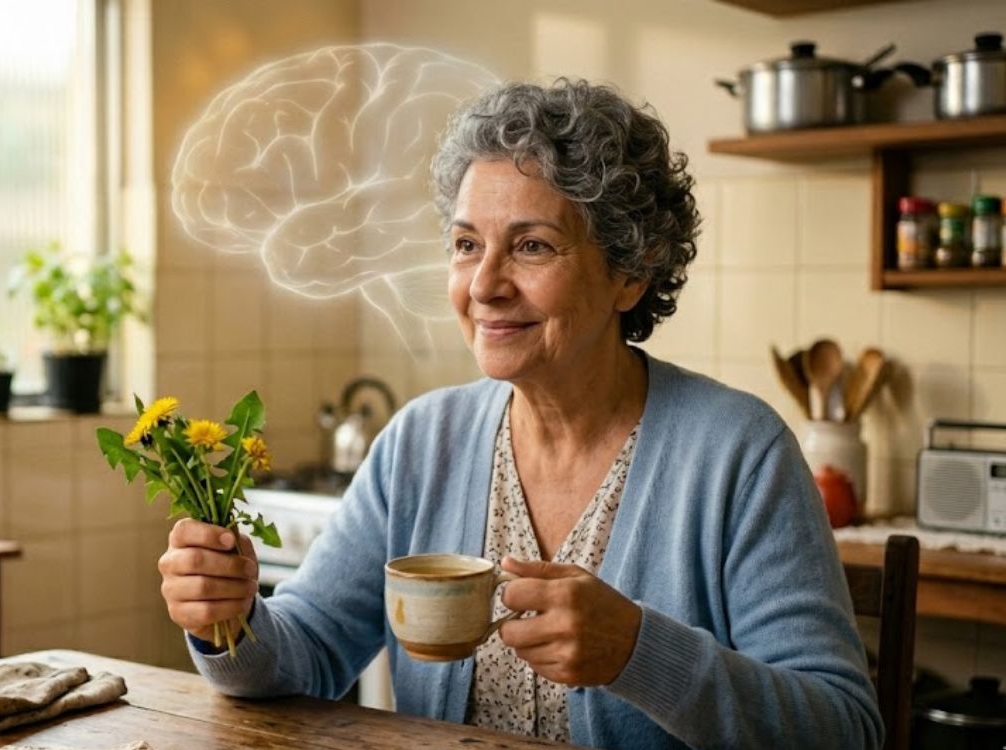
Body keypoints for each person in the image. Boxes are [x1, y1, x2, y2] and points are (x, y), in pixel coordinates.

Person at [157, 79, 882, 749]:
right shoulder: (421, 440)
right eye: (467, 245)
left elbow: (844, 728)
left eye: (532, 246)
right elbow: (305, 653)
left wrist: (638, 652)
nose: (485, 285)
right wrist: (230, 619)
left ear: (631, 271)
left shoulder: (737, 452)